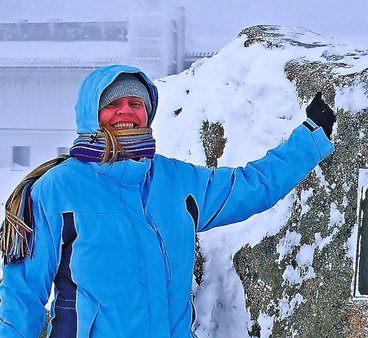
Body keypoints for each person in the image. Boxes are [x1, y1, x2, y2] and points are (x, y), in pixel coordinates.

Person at [0, 64, 336, 337]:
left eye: (135, 103)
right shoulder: (54, 190)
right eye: (112, 104)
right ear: (91, 113)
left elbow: (252, 186)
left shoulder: (177, 181)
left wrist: (309, 140)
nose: (125, 112)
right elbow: (22, 296)